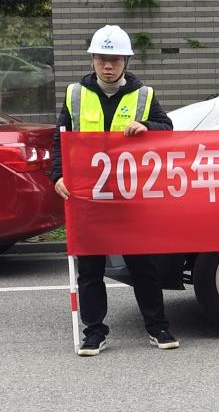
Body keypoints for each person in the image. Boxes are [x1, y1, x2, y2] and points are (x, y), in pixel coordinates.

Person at [51, 25, 179, 356]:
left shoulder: (144, 95)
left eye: (115, 60)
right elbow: (60, 137)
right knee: (90, 268)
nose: (108, 66)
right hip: (88, 194)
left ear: (126, 62)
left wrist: (146, 126)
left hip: (129, 195)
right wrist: (58, 175)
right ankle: (94, 332)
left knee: (142, 265)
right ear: (93, 60)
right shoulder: (75, 94)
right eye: (101, 59)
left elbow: (167, 130)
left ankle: (157, 327)